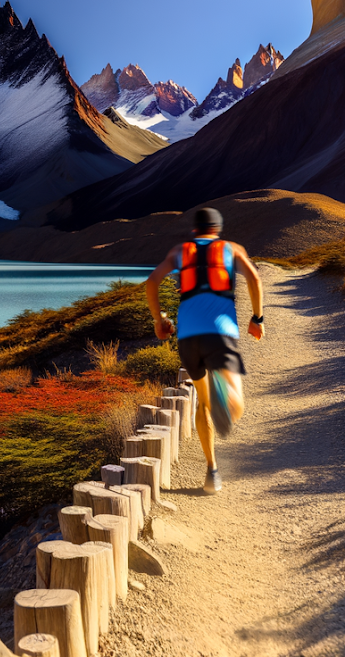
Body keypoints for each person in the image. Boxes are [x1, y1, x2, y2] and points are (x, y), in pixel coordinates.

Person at [143, 207, 263, 494]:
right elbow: (255, 280)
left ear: (195, 230)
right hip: (220, 334)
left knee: (201, 404)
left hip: (188, 338)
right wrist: (257, 319)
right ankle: (226, 406)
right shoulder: (231, 249)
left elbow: (152, 281)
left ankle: (212, 471)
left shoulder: (179, 251)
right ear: (218, 228)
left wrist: (160, 321)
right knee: (235, 405)